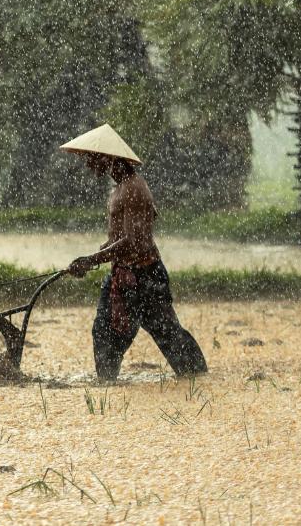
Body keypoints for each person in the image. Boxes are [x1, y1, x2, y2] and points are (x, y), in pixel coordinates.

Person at [60, 124, 207, 381]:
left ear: (108, 158)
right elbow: (118, 239)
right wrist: (95, 256)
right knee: (110, 332)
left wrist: (92, 259)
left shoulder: (134, 189)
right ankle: (108, 384)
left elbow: (132, 242)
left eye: (92, 158)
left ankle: (196, 378)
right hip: (127, 274)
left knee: (166, 332)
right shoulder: (120, 188)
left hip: (143, 276)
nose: (89, 165)